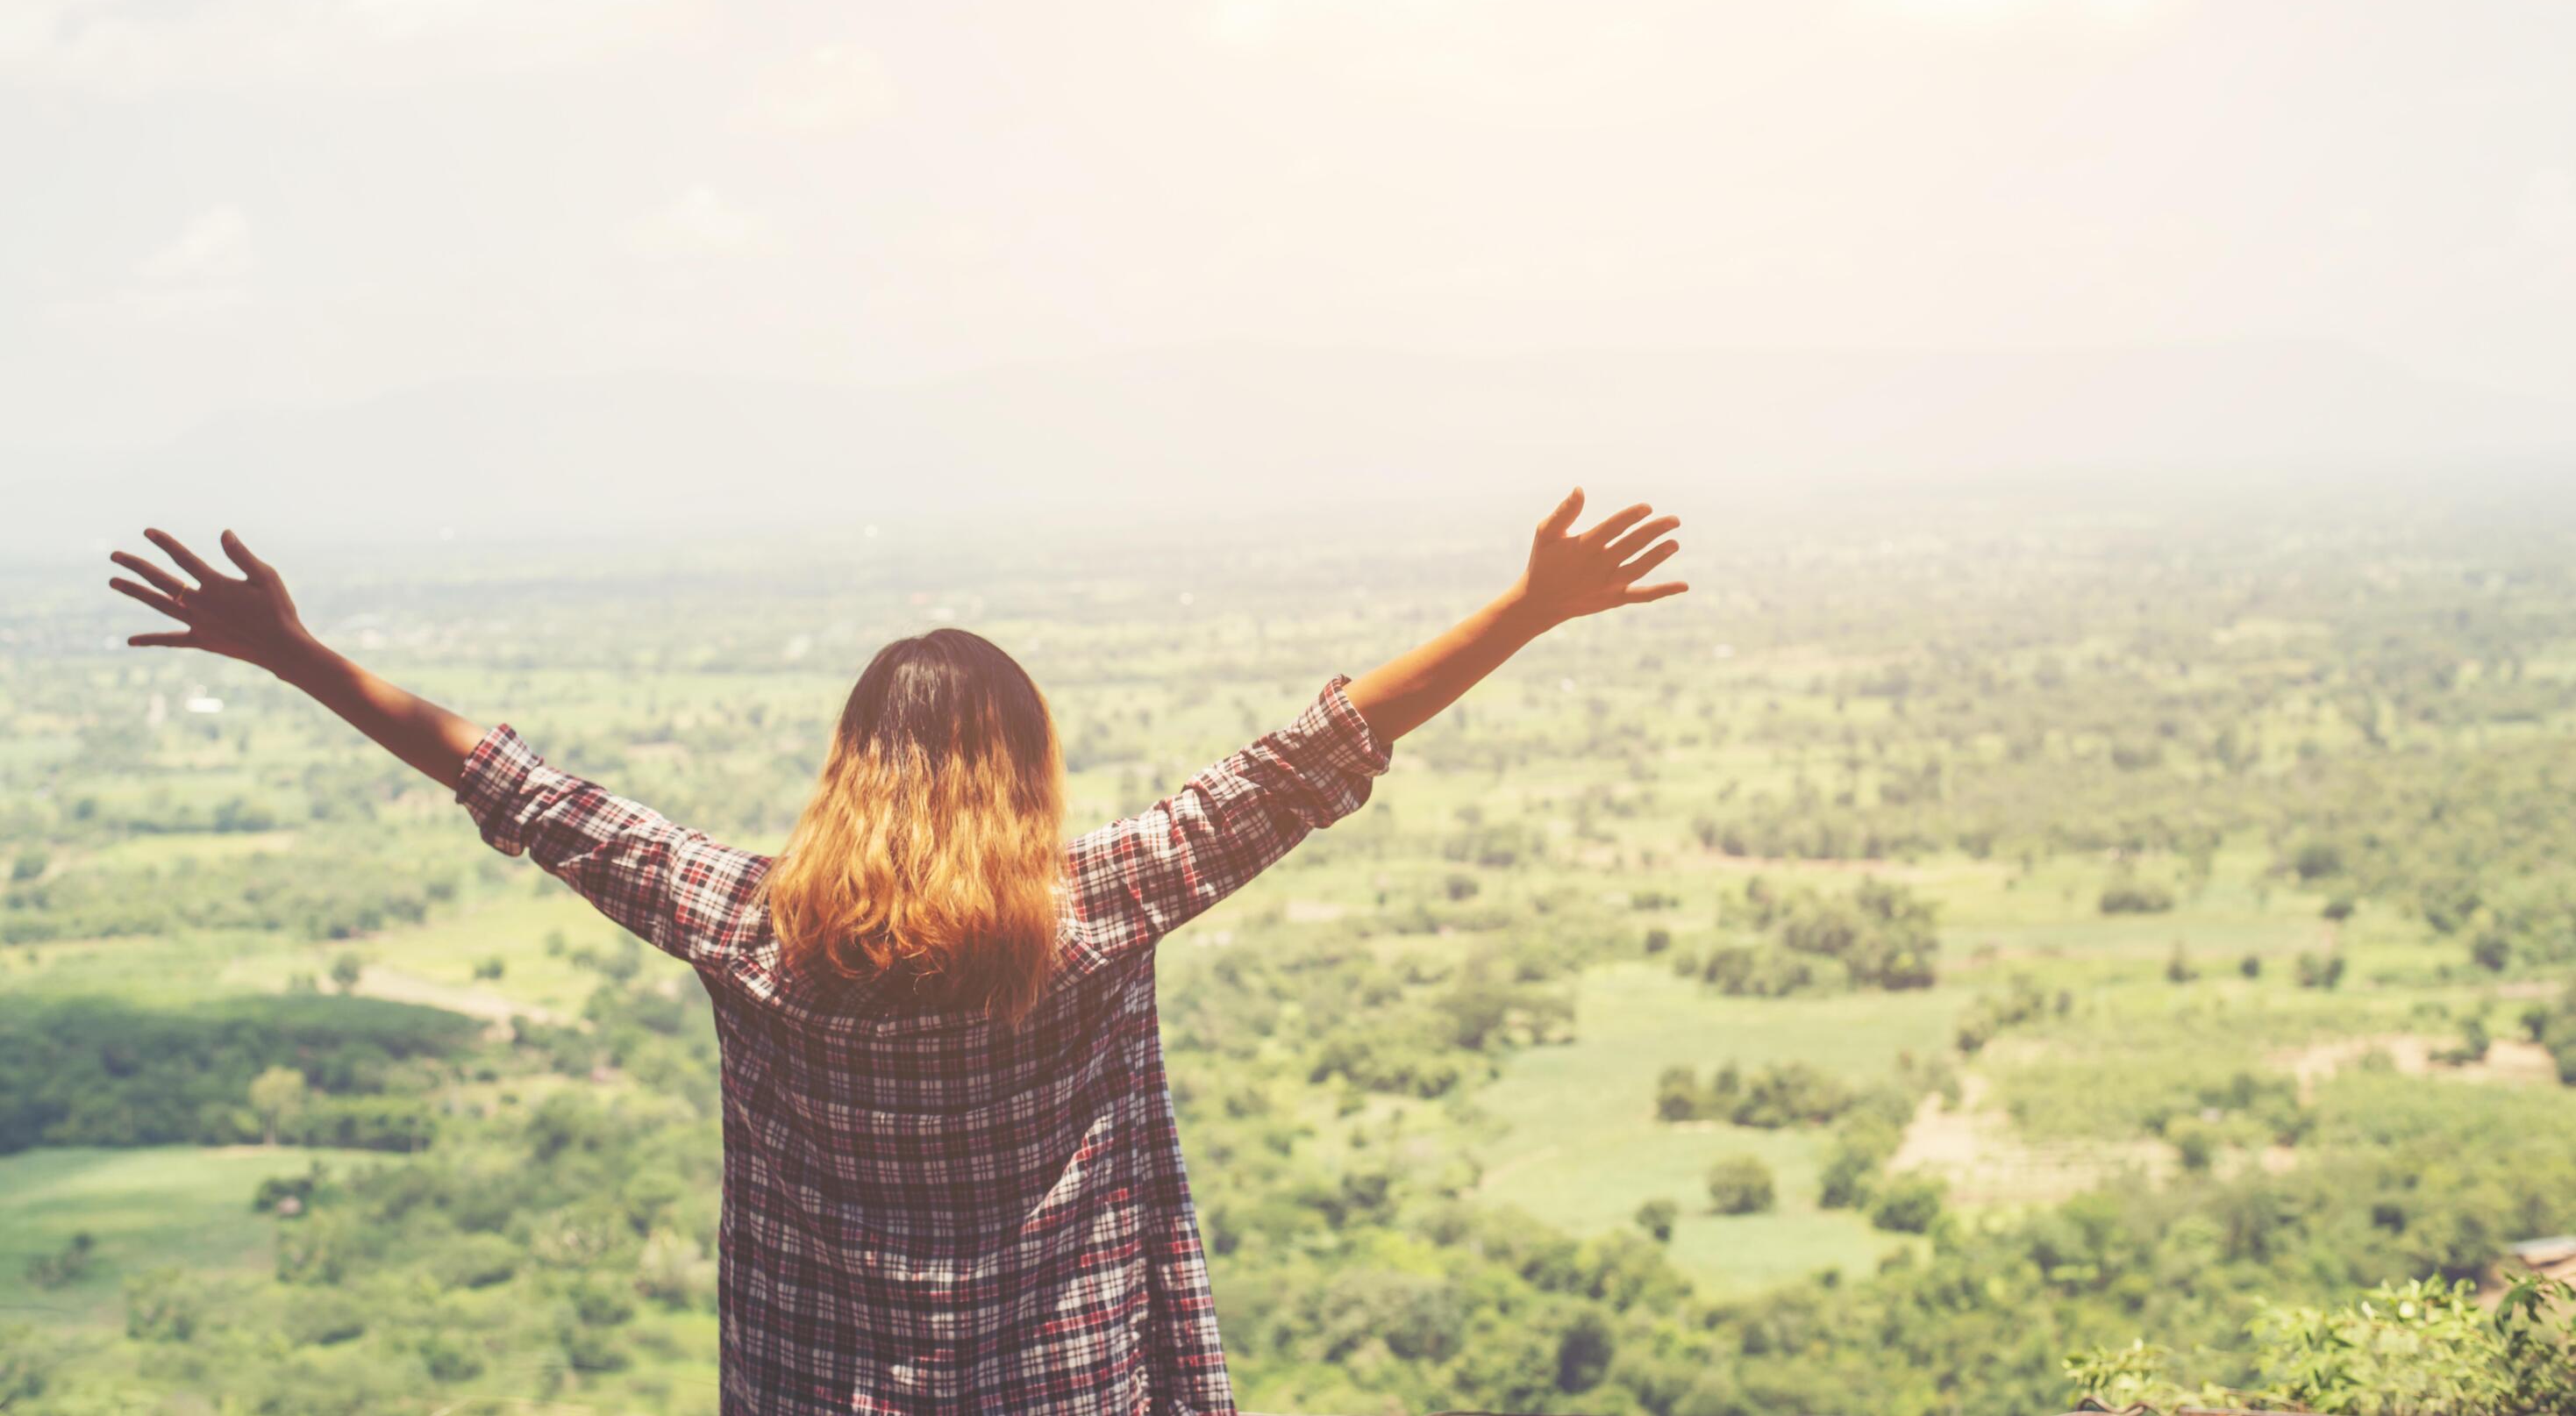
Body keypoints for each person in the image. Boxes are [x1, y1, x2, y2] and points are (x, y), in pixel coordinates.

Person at [109, 490, 1685, 1415]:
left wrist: (296, 653)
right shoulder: (1095, 907)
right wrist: (1529, 607)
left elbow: (506, 779)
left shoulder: (742, 923)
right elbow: (1318, 748)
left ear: (851, 761)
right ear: (1026, 765)